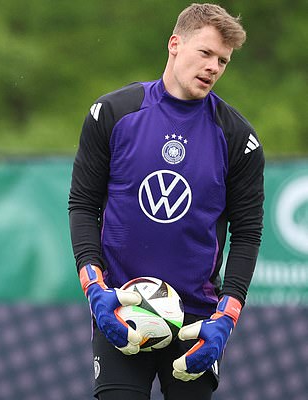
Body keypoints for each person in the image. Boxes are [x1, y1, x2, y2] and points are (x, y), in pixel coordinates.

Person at [68, 3, 264, 399]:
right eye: (205, 53)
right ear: (175, 44)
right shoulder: (112, 112)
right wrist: (95, 289)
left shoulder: (238, 139)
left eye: (223, 61)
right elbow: (83, 203)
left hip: (197, 320)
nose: (213, 67)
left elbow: (247, 234)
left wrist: (226, 316)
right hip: (123, 306)